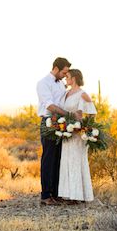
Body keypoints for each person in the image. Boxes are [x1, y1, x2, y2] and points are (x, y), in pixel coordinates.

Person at [57, 69, 97, 203]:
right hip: (66, 134)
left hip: (78, 135)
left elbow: (91, 112)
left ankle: (78, 196)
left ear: (73, 78)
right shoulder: (66, 93)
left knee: (76, 162)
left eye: (67, 76)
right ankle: (69, 194)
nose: (65, 79)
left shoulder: (82, 94)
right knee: (67, 162)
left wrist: (84, 128)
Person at [37, 57, 71, 206]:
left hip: (62, 123)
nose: (65, 75)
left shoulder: (62, 85)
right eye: (64, 72)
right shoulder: (43, 83)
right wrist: (67, 114)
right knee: (48, 159)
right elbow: (49, 105)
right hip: (49, 122)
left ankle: (56, 194)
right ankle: (45, 195)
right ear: (56, 69)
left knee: (59, 159)